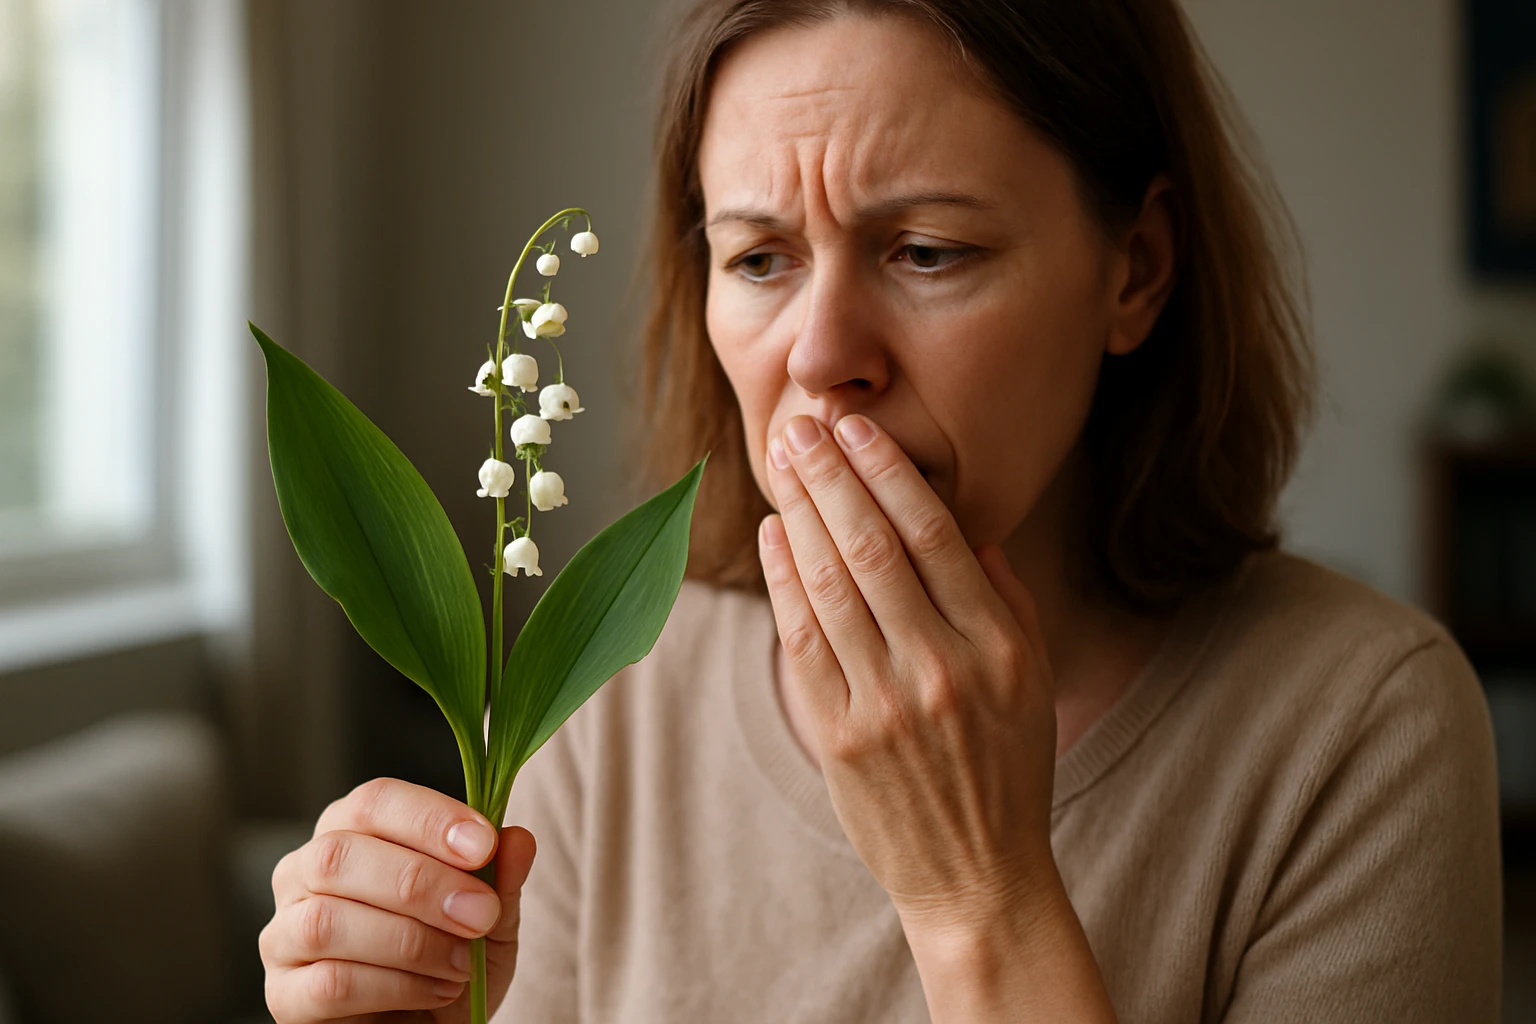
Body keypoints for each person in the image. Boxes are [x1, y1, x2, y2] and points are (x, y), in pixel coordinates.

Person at [258, 1, 1504, 1021]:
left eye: (926, 252)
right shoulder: (610, 695)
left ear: (1137, 269)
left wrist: (982, 896)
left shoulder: (1361, 727)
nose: (821, 356)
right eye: (759, 260)